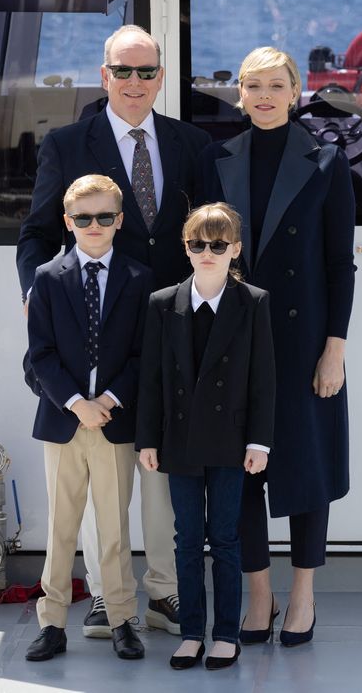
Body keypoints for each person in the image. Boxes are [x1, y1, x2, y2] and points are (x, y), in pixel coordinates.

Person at [16, 25, 211, 638]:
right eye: (122, 71)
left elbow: (213, 230)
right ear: (103, 75)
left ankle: (163, 593)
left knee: (161, 471)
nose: (134, 83)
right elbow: (38, 234)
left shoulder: (190, 143)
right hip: (97, 337)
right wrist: (35, 294)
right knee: (102, 468)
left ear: (160, 77)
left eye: (146, 71)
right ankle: (104, 596)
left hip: (174, 336)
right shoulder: (69, 144)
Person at [196, 47, 355, 646]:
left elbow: (341, 264)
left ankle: (305, 597)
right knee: (240, 472)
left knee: (309, 468)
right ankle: (259, 594)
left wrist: (333, 348)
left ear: (296, 92)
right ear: (238, 93)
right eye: (252, 85)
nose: (263, 96)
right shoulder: (217, 160)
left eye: (275, 86)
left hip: (305, 340)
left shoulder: (327, 162)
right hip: (232, 339)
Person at [136, 202, 275, 670]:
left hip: (232, 440)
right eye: (198, 244)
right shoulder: (163, 302)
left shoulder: (252, 301)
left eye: (218, 244)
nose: (207, 252)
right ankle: (192, 631)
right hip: (179, 439)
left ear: (235, 249)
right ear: (186, 247)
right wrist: (147, 440)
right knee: (186, 538)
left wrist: (260, 442)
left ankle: (226, 634)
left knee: (226, 538)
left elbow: (263, 378)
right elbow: (152, 379)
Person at [25, 175, 153, 662]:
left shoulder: (138, 279)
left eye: (104, 217)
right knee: (62, 525)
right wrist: (78, 402)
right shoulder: (48, 277)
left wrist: (110, 400)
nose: (94, 225)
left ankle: (122, 619)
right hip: (64, 422)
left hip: (115, 422)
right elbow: (41, 354)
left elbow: (144, 355)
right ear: (68, 222)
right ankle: (52, 621)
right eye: (83, 218)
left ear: (119, 221)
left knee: (115, 526)